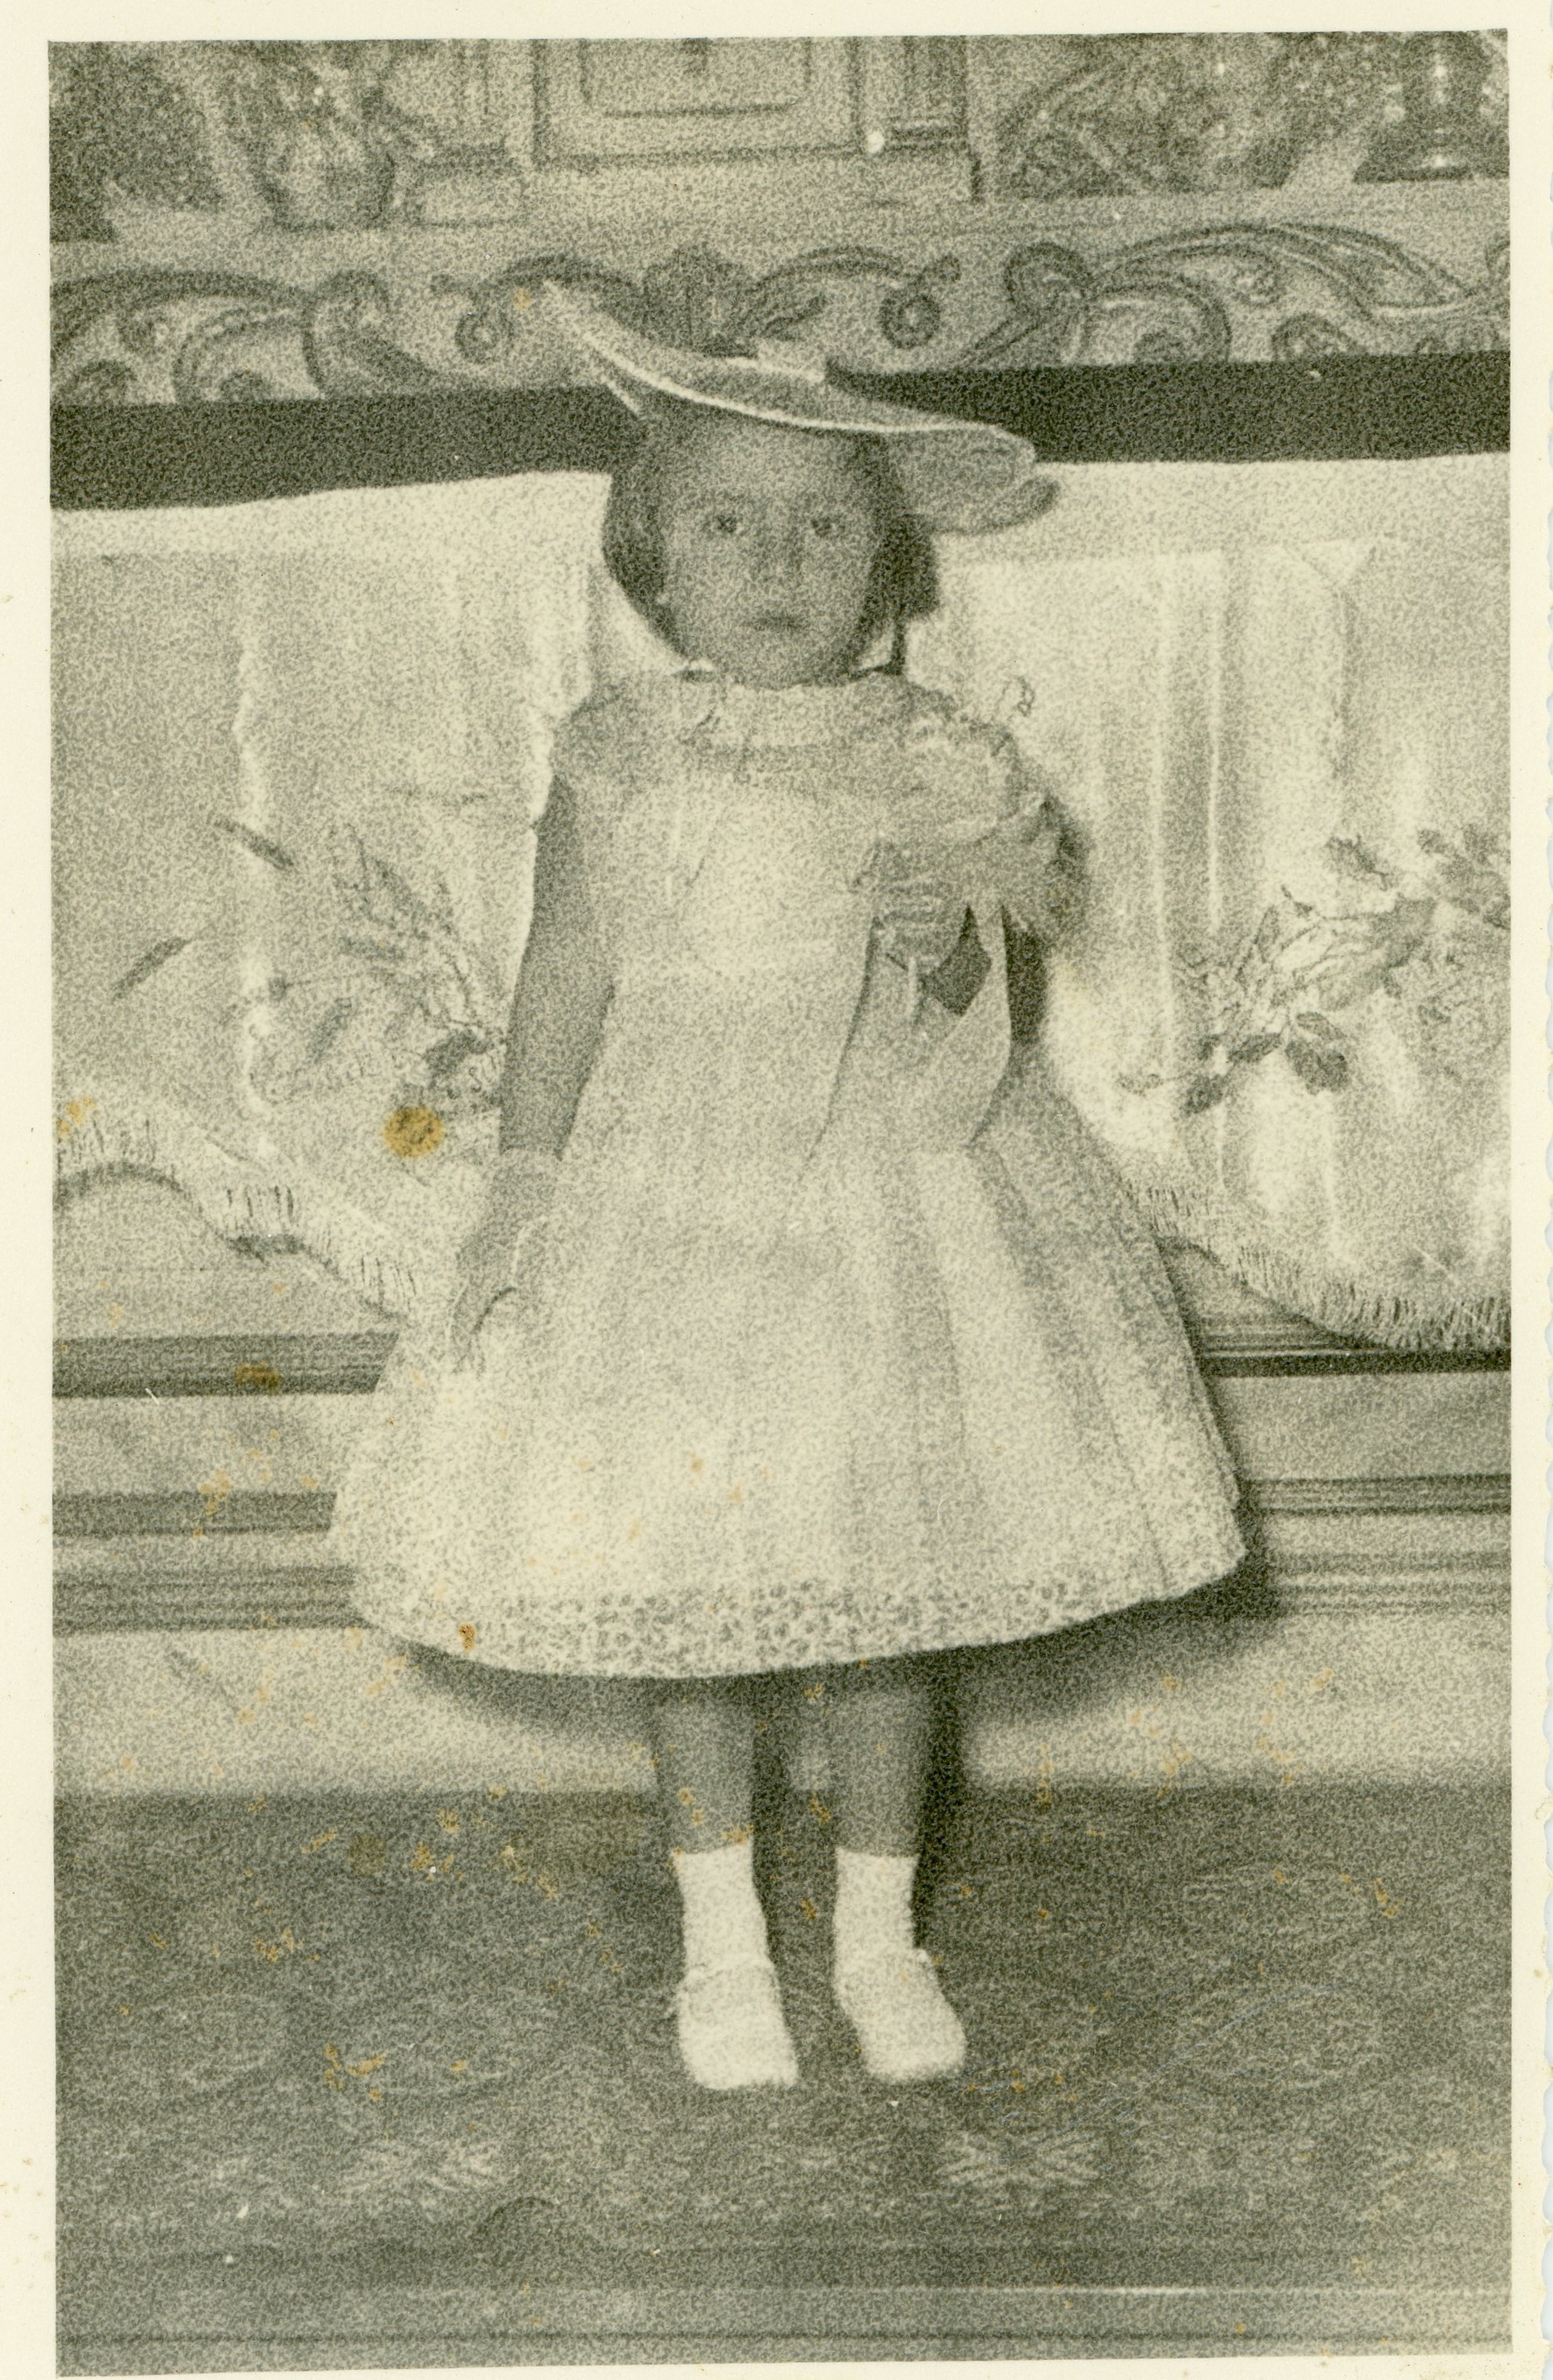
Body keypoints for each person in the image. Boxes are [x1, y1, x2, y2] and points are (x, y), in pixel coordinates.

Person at [333, 286, 1245, 2095]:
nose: (777, 563)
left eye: (827, 528)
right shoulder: (616, 752)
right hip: (669, 1204)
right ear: (652, 561)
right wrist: (526, 1178)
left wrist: (951, 942)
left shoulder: (941, 755)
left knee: (888, 1593)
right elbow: (562, 980)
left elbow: (989, 1009)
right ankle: (722, 1950)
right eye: (728, 524)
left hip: (886, 1203)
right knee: (692, 1587)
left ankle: (880, 1939)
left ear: (889, 567)